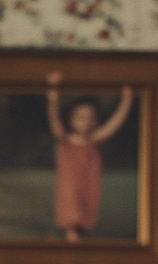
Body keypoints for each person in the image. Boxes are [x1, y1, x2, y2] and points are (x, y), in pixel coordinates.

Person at [46, 71, 134, 242]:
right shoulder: (64, 138)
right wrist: (53, 94)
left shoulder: (94, 139)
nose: (85, 121)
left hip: (88, 185)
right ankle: (72, 234)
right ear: (71, 120)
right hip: (69, 187)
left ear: (95, 121)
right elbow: (54, 118)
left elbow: (115, 122)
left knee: (86, 215)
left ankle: (78, 237)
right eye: (80, 117)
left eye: (90, 117)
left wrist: (127, 98)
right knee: (71, 211)